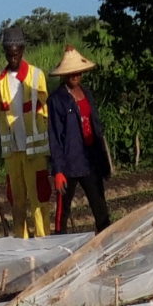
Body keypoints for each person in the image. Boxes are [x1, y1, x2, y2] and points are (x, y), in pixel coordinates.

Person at [0, 28, 51, 238]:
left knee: (39, 199)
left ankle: (44, 243)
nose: (13, 58)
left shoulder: (36, 76)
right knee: (17, 201)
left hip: (34, 151)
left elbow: (46, 114)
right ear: (4, 52)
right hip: (12, 152)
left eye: (16, 54)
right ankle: (21, 245)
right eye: (9, 54)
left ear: (22, 50)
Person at [45, 47, 111, 235]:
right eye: (71, 73)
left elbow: (95, 125)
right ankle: (59, 249)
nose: (75, 76)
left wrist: (103, 161)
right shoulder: (57, 100)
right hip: (68, 163)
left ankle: (106, 244)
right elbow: (55, 136)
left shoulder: (87, 94)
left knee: (100, 206)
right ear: (64, 75)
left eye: (77, 72)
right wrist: (58, 171)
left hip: (90, 159)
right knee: (62, 214)